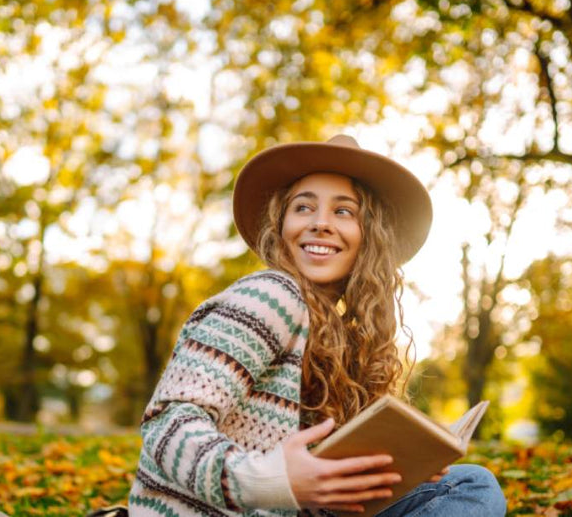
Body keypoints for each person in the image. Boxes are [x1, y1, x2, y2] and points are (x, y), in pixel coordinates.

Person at [128, 135, 506, 516]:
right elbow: (168, 423)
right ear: (281, 225)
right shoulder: (270, 295)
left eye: (344, 211)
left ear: (370, 235)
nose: (321, 223)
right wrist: (272, 480)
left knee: (466, 485)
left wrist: (395, 472)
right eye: (304, 207)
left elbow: (308, 487)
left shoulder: (341, 337)